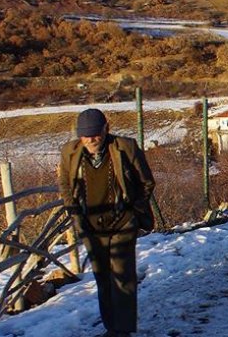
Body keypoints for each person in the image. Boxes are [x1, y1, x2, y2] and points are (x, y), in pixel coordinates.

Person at [58, 109, 155, 337]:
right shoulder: (70, 152)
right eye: (85, 135)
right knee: (102, 277)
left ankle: (123, 330)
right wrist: (73, 209)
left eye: (95, 134)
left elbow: (146, 182)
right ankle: (111, 327)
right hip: (90, 226)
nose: (91, 140)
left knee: (122, 277)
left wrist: (134, 212)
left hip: (122, 223)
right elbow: (64, 182)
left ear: (106, 128)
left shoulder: (125, 147)